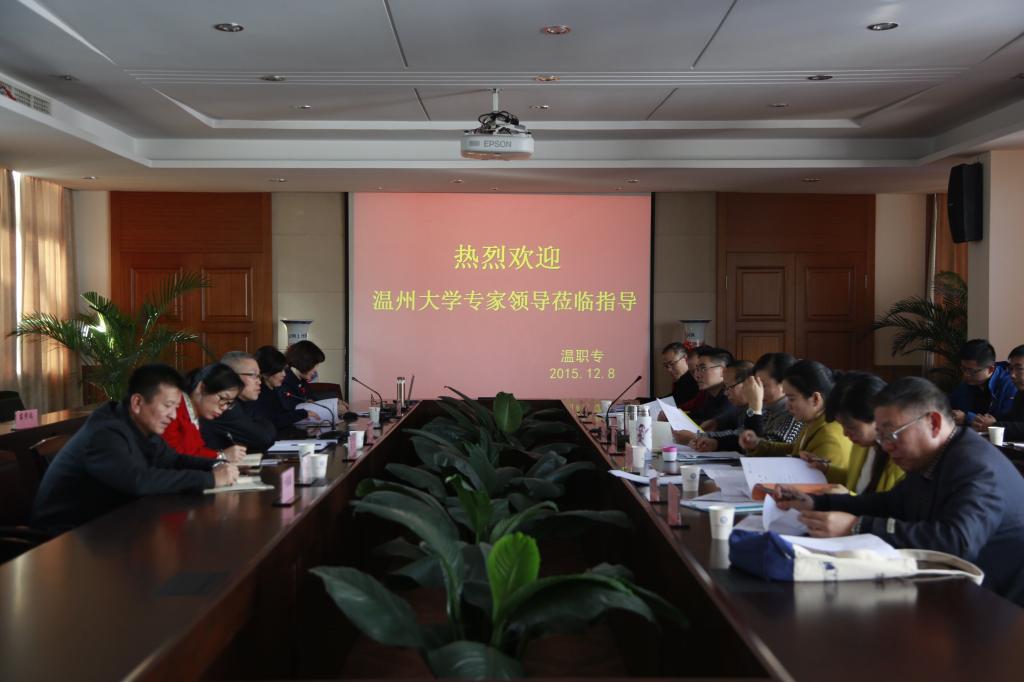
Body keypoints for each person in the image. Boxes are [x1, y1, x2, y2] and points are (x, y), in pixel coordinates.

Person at [773, 376, 1024, 606]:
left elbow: (957, 541)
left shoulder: (976, 467)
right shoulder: (934, 455)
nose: (886, 447)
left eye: (892, 435)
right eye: (881, 437)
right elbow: (892, 503)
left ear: (933, 423)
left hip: (998, 605)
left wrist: (856, 526)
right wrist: (817, 502)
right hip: (952, 586)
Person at [31, 364, 239, 536]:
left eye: (176, 407)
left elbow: (173, 459)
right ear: (137, 402)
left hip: (108, 526)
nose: (173, 415)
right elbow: (138, 480)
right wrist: (210, 479)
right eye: (167, 406)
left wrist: (217, 465)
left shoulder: (140, 425)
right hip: (65, 538)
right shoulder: (104, 433)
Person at [741, 360, 853, 474]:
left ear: (815, 399)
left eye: (791, 399)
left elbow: (822, 482)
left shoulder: (829, 438)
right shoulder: (814, 421)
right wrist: (757, 444)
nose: (787, 405)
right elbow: (796, 449)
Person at [811, 372, 904, 493]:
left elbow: (889, 504)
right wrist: (826, 469)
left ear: (877, 417)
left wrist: (847, 497)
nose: (845, 433)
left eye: (851, 427)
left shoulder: (901, 458)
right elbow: (857, 481)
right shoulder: (862, 445)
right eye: (842, 425)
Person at [161, 363, 247, 461]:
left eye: (229, 403)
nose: (224, 407)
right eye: (223, 398)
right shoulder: (173, 409)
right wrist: (221, 456)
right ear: (201, 387)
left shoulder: (195, 413)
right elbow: (175, 456)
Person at [719, 352, 802, 452]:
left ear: (784, 384)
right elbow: (742, 436)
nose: (759, 391)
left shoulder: (795, 412)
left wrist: (754, 407)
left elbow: (763, 450)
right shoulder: (766, 408)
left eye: (763, 385)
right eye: (757, 384)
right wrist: (715, 442)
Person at [200, 351, 277, 453]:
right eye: (253, 375)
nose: (259, 381)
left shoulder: (247, 402)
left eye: (259, 376)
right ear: (231, 376)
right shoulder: (224, 406)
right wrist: (263, 425)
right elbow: (263, 438)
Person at [672, 346, 734, 444]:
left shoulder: (732, 398)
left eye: (703, 369)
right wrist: (673, 416)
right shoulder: (710, 395)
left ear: (723, 371)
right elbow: (699, 416)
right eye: (696, 369)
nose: (696, 375)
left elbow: (718, 428)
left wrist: (695, 436)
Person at [949, 339, 1016, 428]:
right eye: (963, 369)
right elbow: (951, 405)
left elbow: (1006, 423)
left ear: (990, 369)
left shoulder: (1010, 384)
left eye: (972, 371)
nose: (965, 375)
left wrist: (967, 418)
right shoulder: (967, 384)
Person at [253, 345, 318, 431]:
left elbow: (283, 417)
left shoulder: (273, 390)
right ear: (266, 373)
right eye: (280, 371)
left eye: (284, 370)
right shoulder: (260, 393)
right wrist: (302, 414)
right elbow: (273, 421)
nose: (284, 374)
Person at [692, 360, 753, 452]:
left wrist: (696, 436)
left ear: (748, 384)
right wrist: (717, 422)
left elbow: (739, 436)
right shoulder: (741, 408)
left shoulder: (758, 409)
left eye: (729, 387)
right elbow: (731, 418)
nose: (725, 393)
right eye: (725, 387)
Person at [972, 344, 1024, 439]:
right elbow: (1010, 420)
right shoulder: (1020, 393)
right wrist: (983, 421)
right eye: (1011, 369)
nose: (1012, 375)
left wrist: (994, 425)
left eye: (1019, 369)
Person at [281, 340, 327, 410]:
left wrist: (334, 404)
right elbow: (291, 409)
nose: (315, 370)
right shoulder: (284, 381)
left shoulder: (302, 379)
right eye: (314, 365)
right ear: (304, 362)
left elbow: (314, 401)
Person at [660, 341, 699, 407]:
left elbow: (673, 402)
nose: (669, 370)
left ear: (686, 359)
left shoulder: (694, 380)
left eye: (672, 364)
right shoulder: (682, 380)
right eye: (666, 366)